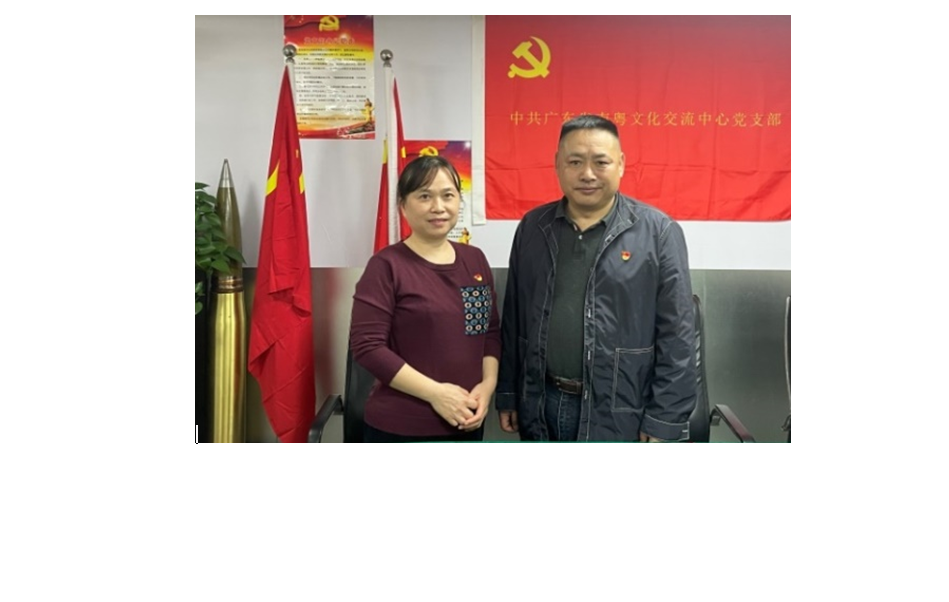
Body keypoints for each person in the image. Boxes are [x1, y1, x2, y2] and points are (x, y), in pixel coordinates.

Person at [496, 115, 696, 442]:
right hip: (542, 403)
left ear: (621, 164)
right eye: (575, 162)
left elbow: (678, 336)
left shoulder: (658, 232)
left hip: (623, 411)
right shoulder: (533, 227)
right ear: (557, 165)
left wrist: (665, 418)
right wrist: (508, 392)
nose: (587, 174)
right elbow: (514, 319)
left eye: (600, 162)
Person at [350, 155, 501, 442]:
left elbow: (489, 332)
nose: (438, 207)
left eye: (448, 195)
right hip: (400, 428)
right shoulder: (386, 266)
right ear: (403, 206)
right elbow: (367, 347)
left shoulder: (475, 259)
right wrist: (436, 394)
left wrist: (488, 385)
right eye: (424, 196)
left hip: (467, 421)